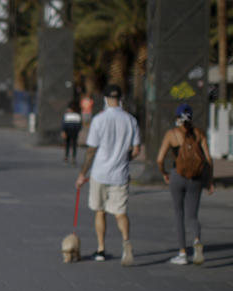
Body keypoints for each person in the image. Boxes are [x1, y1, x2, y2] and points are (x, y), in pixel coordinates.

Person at [75, 84, 141, 265]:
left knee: (100, 211)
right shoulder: (131, 120)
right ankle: (126, 242)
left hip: (100, 173)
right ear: (121, 99)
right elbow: (136, 150)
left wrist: (82, 174)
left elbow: (91, 151)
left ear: (105, 99)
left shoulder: (99, 120)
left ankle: (101, 249)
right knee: (120, 213)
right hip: (120, 174)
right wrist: (124, 158)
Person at [155, 104, 215, 265]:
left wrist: (164, 173)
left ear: (177, 118)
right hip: (196, 178)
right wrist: (209, 180)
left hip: (178, 176)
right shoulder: (198, 134)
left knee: (178, 214)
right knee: (192, 215)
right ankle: (196, 241)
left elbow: (159, 159)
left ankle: (182, 253)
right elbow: (208, 159)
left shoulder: (172, 134)